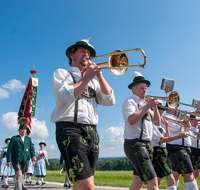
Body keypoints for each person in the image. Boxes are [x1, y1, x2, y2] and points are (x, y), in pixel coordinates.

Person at [51, 38, 115, 190]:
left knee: (82, 184)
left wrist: (99, 75)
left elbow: (109, 100)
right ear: (71, 55)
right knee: (87, 185)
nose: (87, 55)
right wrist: (86, 77)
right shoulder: (62, 74)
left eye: (89, 53)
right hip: (69, 129)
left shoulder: (94, 81)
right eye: (83, 51)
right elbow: (64, 98)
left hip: (92, 132)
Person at [122, 71, 160, 190]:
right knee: (153, 179)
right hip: (135, 144)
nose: (145, 91)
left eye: (146, 89)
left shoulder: (146, 106)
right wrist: (147, 106)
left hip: (146, 145)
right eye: (142, 88)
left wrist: (154, 107)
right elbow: (131, 120)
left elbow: (157, 122)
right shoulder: (130, 102)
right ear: (134, 89)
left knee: (138, 181)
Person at [151, 102, 189, 190]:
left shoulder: (160, 126)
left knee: (157, 181)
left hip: (163, 152)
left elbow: (166, 137)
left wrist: (167, 126)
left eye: (161, 112)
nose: (161, 114)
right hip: (157, 152)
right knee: (170, 179)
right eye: (159, 112)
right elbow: (162, 140)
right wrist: (179, 136)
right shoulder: (153, 125)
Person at [165, 106, 199, 190]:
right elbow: (177, 128)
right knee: (189, 173)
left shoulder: (176, 118)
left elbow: (188, 130)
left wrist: (186, 120)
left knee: (176, 173)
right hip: (177, 148)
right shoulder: (168, 117)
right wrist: (183, 119)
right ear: (168, 108)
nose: (177, 108)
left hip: (184, 148)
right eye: (174, 106)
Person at [6, 117, 36, 190]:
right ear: (19, 131)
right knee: (19, 174)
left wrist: (33, 156)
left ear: (26, 131)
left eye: (24, 129)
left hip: (25, 159)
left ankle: (17, 187)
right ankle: (19, 188)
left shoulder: (28, 139)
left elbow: (31, 149)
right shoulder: (14, 138)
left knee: (22, 175)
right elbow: (9, 150)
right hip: (16, 159)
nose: (23, 131)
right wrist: (8, 160)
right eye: (22, 129)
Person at [189, 115, 200, 179]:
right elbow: (192, 140)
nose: (196, 123)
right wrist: (198, 133)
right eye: (194, 121)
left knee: (197, 170)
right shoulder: (189, 129)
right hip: (192, 149)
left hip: (198, 149)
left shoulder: (196, 128)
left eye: (197, 121)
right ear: (190, 121)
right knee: (195, 169)